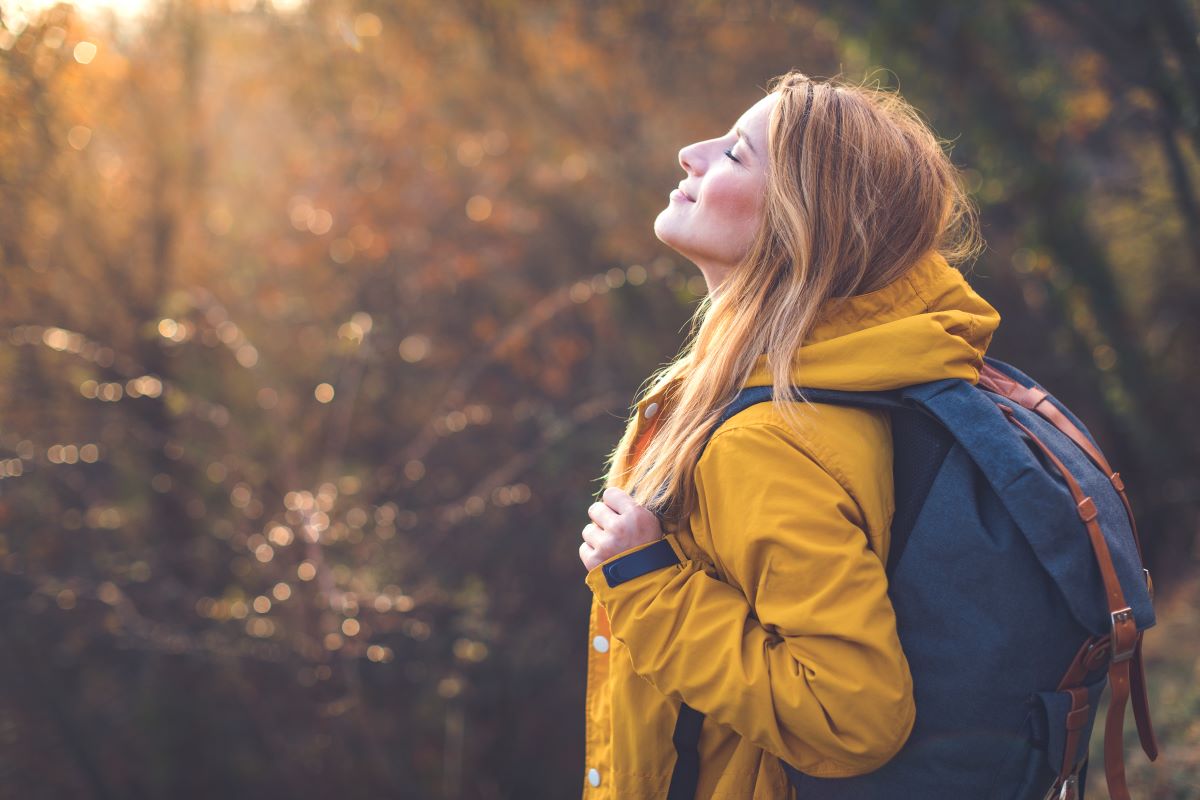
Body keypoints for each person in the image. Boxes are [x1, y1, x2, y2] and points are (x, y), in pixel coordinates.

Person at [577, 69, 1002, 799]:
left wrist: (648, 587)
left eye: (737, 154)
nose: (692, 152)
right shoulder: (849, 372)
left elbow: (855, 715)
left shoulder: (763, 440)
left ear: (802, 222)